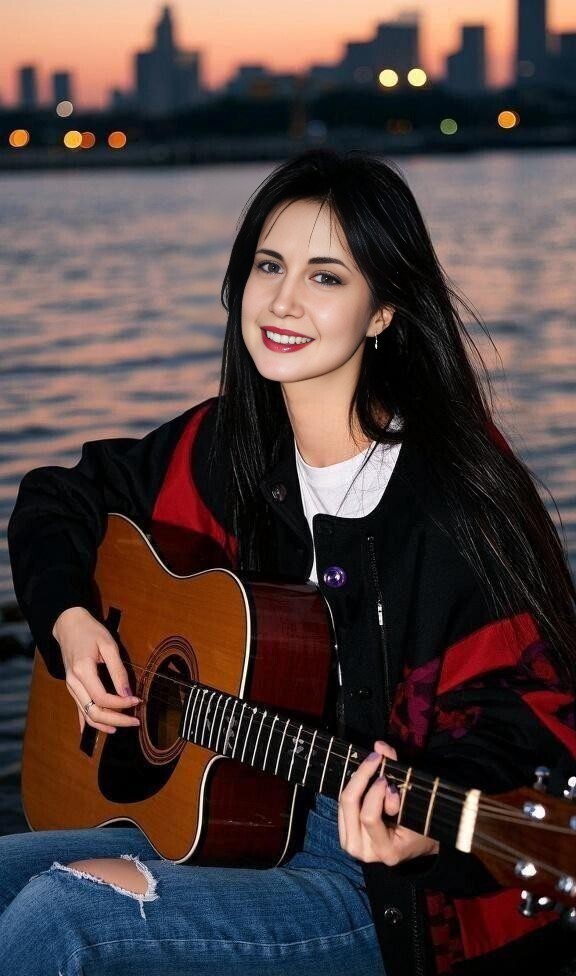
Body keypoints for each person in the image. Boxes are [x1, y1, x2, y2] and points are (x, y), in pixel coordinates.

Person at [4, 149, 576, 976]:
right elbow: (58, 498)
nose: (282, 301)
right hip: (231, 819)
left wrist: (427, 820)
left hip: (379, 890)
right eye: (269, 266)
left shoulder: (453, 493)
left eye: (326, 277)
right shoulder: (230, 446)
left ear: (383, 310)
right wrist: (70, 619)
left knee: (63, 920)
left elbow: (539, 706)